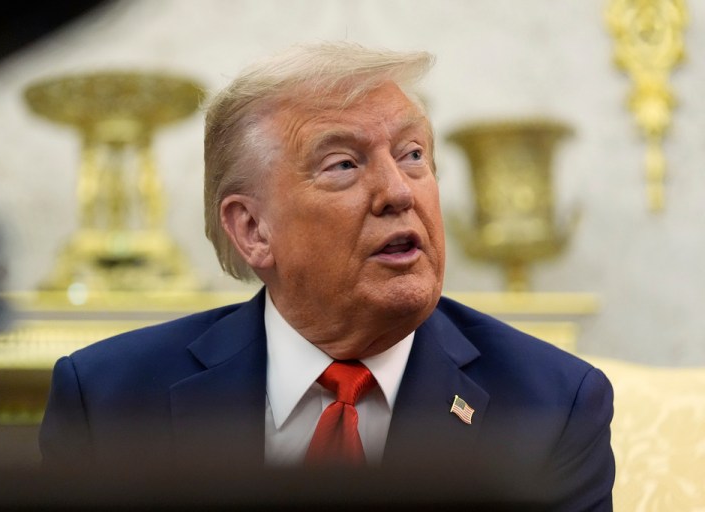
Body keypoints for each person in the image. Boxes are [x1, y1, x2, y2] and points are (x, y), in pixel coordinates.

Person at [40, 42, 614, 509]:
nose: (397, 191)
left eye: (413, 154)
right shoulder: (110, 402)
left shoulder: (552, 406)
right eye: (343, 163)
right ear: (252, 230)